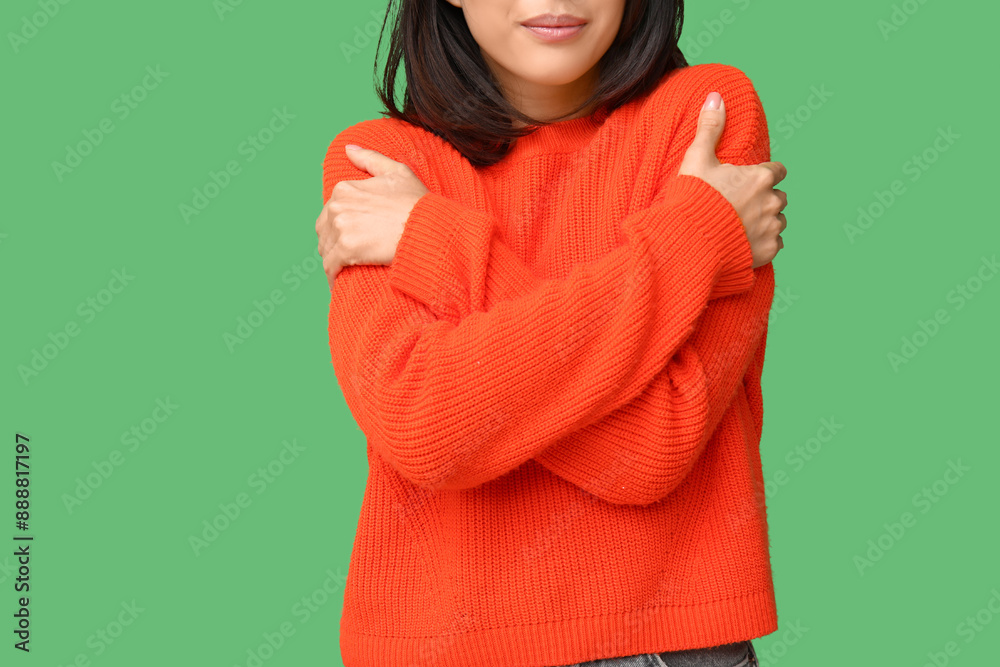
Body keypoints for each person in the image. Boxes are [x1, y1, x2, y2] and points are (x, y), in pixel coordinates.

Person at [315, 1, 787, 666]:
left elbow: (656, 443)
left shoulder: (704, 115)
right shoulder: (380, 165)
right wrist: (699, 234)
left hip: (667, 643)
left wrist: (432, 238)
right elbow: (424, 424)